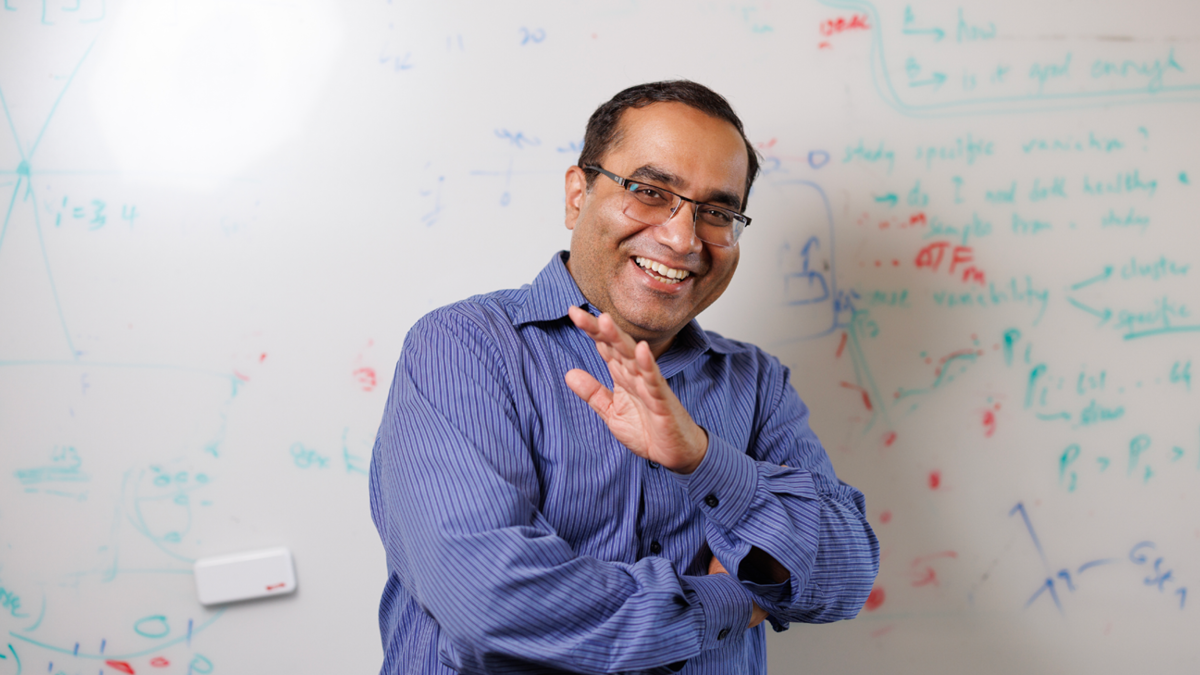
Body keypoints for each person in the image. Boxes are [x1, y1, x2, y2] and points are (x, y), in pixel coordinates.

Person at [369, 80, 879, 674]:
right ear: (577, 194)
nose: (682, 237)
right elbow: (494, 606)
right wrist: (733, 600)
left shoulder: (757, 382)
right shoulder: (464, 347)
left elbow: (842, 577)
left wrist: (705, 461)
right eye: (648, 190)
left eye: (716, 212)